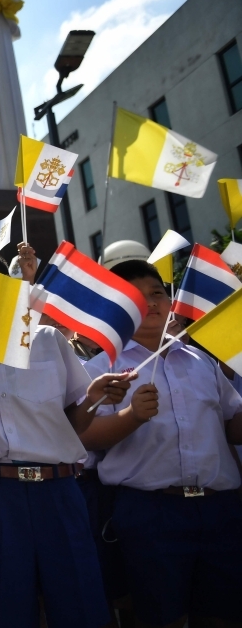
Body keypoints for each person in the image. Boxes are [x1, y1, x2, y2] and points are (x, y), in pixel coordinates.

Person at [0, 243, 132, 628]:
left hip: (59, 492)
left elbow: (74, 424)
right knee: (4, 610)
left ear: (1, 280)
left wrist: (95, 398)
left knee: (79, 603)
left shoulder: (48, 340)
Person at [81, 259, 242, 628]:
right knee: (160, 615)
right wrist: (131, 417)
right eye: (137, 296)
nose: (151, 302)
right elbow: (85, 438)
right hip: (150, 512)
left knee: (224, 613)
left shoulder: (202, 361)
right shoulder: (99, 369)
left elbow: (231, 427)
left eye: (157, 293)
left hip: (219, 510)